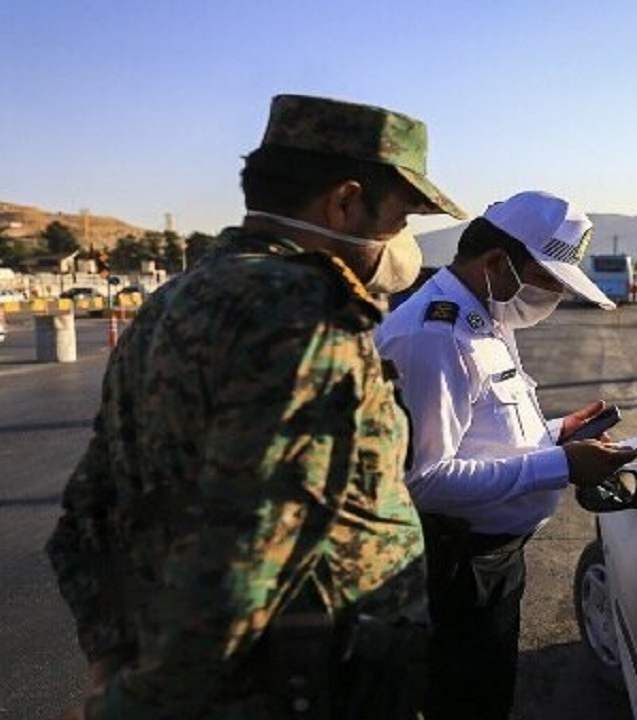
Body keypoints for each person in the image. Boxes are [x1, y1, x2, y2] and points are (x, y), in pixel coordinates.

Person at [45, 93, 465, 720]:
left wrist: (110, 659)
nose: (401, 241)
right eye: (400, 216)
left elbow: (89, 510)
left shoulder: (173, 302)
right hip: (299, 689)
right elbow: (244, 552)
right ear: (345, 201)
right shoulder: (306, 317)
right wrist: (133, 706)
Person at [375, 190, 637, 719]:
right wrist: (562, 465)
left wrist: (555, 433)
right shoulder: (435, 335)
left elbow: (484, 431)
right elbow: (421, 480)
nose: (554, 299)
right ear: (498, 262)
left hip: (491, 561)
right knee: (464, 701)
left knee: (488, 693)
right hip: (453, 568)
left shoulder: (488, 316)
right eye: (547, 282)